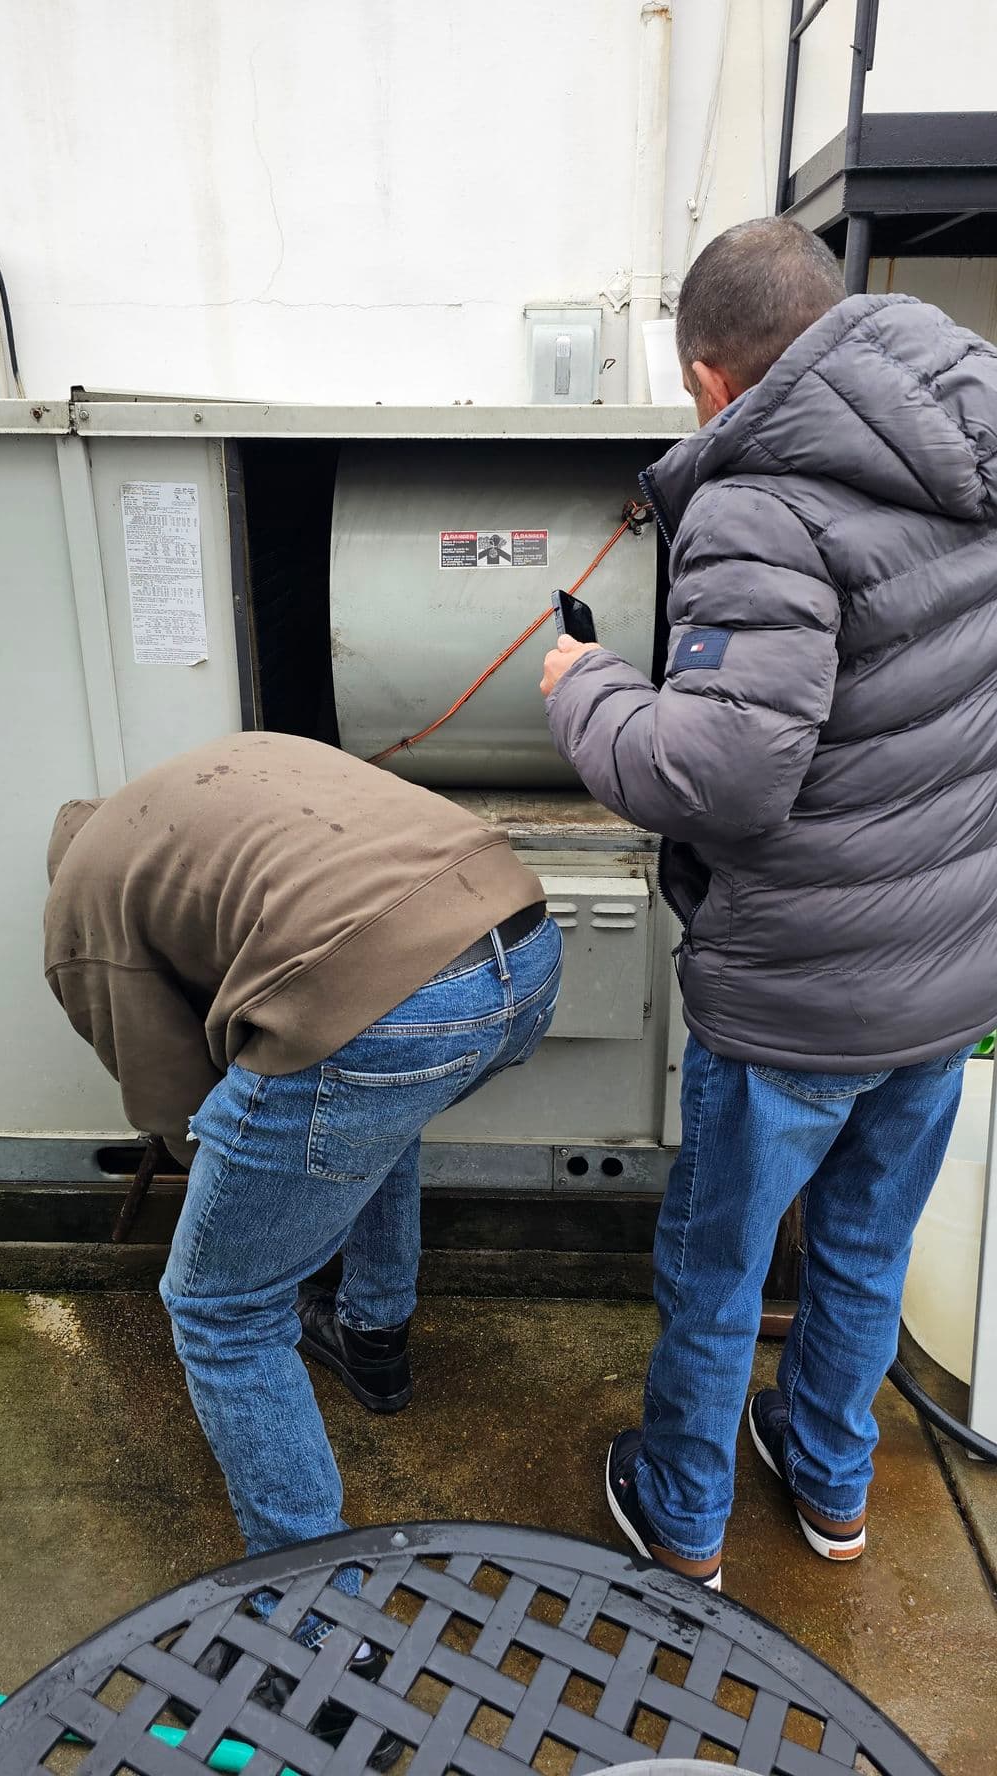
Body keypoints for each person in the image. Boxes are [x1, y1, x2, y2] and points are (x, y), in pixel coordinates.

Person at [541, 216, 997, 1592]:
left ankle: (683, 1522)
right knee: (862, 1253)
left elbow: (721, 776)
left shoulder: (760, 501)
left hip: (795, 998)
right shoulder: (970, 449)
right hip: (947, 983)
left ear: (707, 379)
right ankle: (829, 1481)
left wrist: (589, 692)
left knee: (722, 1272)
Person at [44, 733, 560, 1616]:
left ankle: (311, 1621)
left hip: (391, 999)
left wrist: (219, 1182)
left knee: (223, 1308)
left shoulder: (84, 907)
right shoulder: (226, 776)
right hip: (526, 948)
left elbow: (170, 1103)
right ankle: (372, 1338)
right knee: (365, 1117)